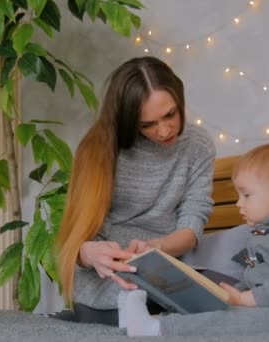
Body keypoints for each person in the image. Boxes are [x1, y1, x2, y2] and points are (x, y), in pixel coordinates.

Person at [55, 56, 216, 324]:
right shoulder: (98, 148)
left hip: (165, 266)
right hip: (106, 276)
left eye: (170, 115)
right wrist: (90, 254)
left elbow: (192, 222)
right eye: (147, 124)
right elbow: (77, 241)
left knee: (221, 295)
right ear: (128, 120)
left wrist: (156, 248)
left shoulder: (198, 146)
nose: (164, 131)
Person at [120, 143, 269, 336]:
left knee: (229, 322)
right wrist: (231, 293)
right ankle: (156, 321)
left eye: (246, 195)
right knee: (219, 310)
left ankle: (155, 329)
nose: (238, 204)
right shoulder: (265, 233)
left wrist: (244, 299)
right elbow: (256, 272)